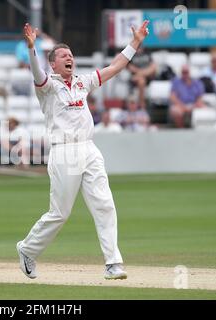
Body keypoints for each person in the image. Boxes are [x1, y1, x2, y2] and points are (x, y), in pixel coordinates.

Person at [16, 21, 150, 280]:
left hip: (89, 149)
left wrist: (135, 43)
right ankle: (27, 249)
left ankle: (113, 263)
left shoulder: (82, 82)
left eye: (71, 55)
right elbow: (36, 73)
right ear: (52, 63)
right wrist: (32, 48)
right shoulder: (48, 86)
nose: (70, 58)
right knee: (60, 213)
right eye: (64, 56)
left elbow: (115, 67)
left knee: (105, 204)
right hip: (64, 151)